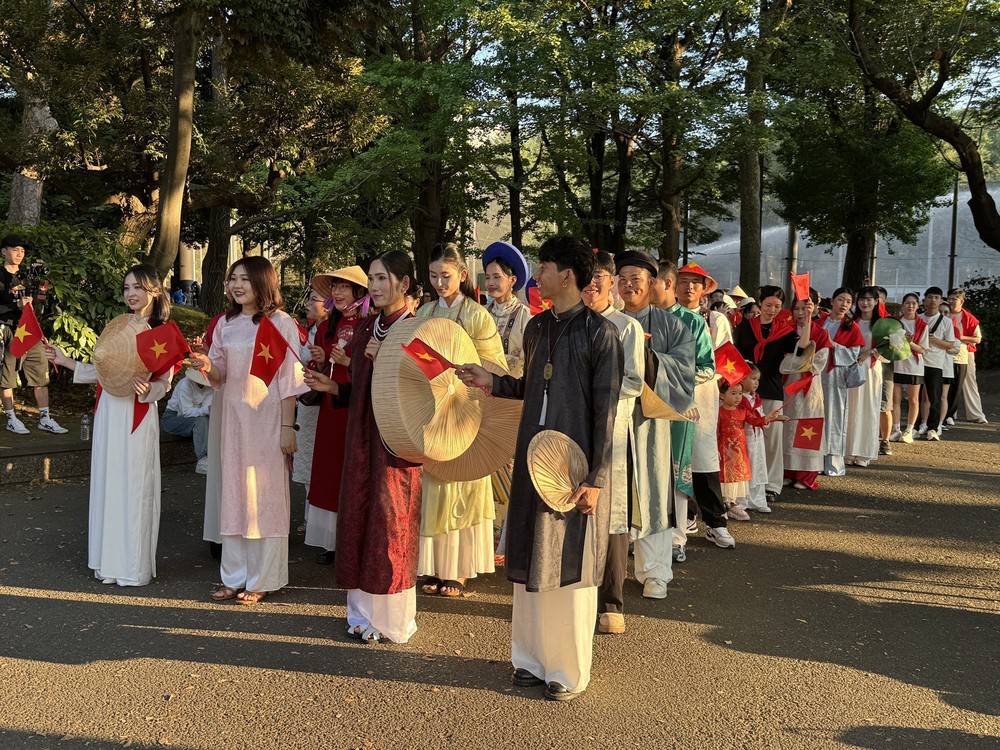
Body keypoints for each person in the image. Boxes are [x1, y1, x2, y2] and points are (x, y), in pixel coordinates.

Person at [457, 235, 623, 702]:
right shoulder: (536, 329)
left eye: (544, 267)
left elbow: (606, 414)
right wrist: (491, 380)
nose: (538, 275)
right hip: (532, 456)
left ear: (567, 275)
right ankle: (528, 660)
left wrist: (596, 480)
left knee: (567, 563)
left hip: (574, 469)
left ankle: (567, 670)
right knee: (531, 555)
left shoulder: (600, 333)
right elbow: (530, 387)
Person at [303, 251, 423, 644]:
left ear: (403, 284)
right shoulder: (368, 325)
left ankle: (392, 619)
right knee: (357, 515)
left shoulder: (418, 328)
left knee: (390, 524)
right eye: (371, 278)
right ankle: (359, 613)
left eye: (382, 279)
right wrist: (333, 386)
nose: (374, 286)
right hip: (360, 436)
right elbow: (357, 387)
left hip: (396, 442)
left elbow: (432, 386)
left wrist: (390, 358)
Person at [188, 256, 308, 605]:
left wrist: (288, 427)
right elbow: (219, 375)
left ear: (263, 282)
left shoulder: (280, 323)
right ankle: (234, 575)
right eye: (232, 279)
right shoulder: (226, 324)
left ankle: (264, 577)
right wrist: (206, 364)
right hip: (235, 421)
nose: (236, 285)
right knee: (236, 494)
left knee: (265, 495)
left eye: (244, 279)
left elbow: (289, 381)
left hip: (268, 419)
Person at [46, 264, 173, 586]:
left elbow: (165, 382)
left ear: (154, 291)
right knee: (108, 481)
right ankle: (107, 563)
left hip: (135, 414)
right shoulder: (117, 326)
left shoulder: (163, 332)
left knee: (133, 485)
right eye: (127, 287)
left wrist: (150, 392)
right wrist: (65, 360)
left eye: (138, 287)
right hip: (108, 410)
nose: (131, 293)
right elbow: (104, 372)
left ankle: (132, 566)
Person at [416, 243, 508, 598]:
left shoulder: (477, 315)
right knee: (435, 485)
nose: (440, 282)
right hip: (431, 409)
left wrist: (462, 373)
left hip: (467, 409)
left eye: (447, 276)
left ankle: (458, 569)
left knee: (463, 486)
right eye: (434, 275)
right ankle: (434, 565)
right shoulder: (422, 313)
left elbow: (494, 366)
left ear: (463, 275)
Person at [618, 250, 696, 597]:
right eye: (622, 279)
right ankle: (610, 569)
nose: (628, 285)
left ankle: (655, 572)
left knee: (653, 489)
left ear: (651, 284)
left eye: (636, 279)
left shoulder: (671, 325)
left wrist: (647, 356)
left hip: (650, 423)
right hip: (614, 420)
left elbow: (684, 373)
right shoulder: (608, 322)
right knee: (615, 493)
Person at [582, 251, 644, 633]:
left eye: (599, 278)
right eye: (586, 278)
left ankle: (612, 601)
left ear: (611, 282)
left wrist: (596, 394)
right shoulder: (569, 323)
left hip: (612, 431)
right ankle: (577, 595)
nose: (592, 285)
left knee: (612, 512)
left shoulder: (625, 327)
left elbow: (634, 381)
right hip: (573, 429)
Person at [304, 266, 368, 565]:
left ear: (359, 292)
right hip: (330, 406)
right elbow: (324, 366)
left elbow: (376, 367)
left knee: (352, 468)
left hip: (356, 404)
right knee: (330, 468)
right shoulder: (329, 324)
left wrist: (351, 361)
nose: (339, 292)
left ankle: (353, 538)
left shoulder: (370, 324)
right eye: (336, 287)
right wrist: (319, 360)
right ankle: (331, 540)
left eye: (345, 287)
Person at [649, 259, 711, 562]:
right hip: (641, 407)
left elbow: (707, 368)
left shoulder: (693, 322)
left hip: (677, 406)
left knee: (676, 470)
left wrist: (669, 381)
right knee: (644, 467)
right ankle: (643, 533)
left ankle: (676, 537)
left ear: (666, 283)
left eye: (650, 281)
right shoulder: (638, 318)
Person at [676, 262, 736, 549]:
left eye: (695, 283)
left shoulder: (714, 320)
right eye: (683, 281)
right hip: (671, 398)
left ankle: (715, 521)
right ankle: (683, 516)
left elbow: (725, 359)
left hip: (703, 395)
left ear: (704, 289)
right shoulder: (662, 316)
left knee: (703, 457)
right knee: (673, 458)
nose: (689, 287)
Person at [482, 242, 532, 561]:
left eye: (497, 277)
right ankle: (487, 534)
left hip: (513, 401)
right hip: (483, 402)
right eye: (487, 277)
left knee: (508, 464)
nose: (490, 283)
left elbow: (529, 360)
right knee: (483, 465)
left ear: (512, 280)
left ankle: (506, 535)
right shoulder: (481, 314)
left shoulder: (525, 317)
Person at [733, 286, 803, 502]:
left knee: (772, 441)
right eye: (768, 305)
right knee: (744, 439)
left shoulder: (785, 330)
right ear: (760, 303)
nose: (772, 310)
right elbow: (735, 355)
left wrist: (807, 318)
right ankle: (744, 484)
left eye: (777, 306)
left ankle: (772, 484)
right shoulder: (745, 327)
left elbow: (802, 349)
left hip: (771, 390)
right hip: (744, 392)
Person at [0, 234, 68, 435]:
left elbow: (40, 300)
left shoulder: (29, 275)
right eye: (15, 249)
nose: (19, 254)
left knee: (40, 370)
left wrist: (37, 297)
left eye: (22, 250)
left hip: (29, 329)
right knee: (6, 375)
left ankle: (45, 418)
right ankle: (11, 418)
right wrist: (15, 303)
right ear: (4, 251)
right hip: (6, 328)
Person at [292, 278, 331, 530]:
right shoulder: (312, 330)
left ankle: (318, 517)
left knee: (320, 459)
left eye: (313, 299)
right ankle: (310, 514)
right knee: (307, 458)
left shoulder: (329, 331)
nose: (307, 304)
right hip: (307, 401)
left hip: (322, 401)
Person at [717, 379, 786, 517]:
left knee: (736, 477)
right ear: (722, 395)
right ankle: (722, 504)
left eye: (740, 394)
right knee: (724, 476)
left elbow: (756, 421)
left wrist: (770, 417)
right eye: (733, 393)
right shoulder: (718, 412)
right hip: (724, 451)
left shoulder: (743, 411)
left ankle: (732, 503)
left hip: (740, 452)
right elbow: (716, 432)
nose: (737, 397)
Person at [782, 291, 828, 490]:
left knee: (808, 424)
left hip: (809, 385)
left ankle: (806, 474)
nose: (800, 313)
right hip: (787, 383)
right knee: (786, 424)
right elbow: (783, 360)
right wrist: (797, 361)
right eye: (797, 308)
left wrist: (800, 362)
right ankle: (785, 470)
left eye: (804, 309)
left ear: (814, 308)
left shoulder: (821, 333)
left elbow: (819, 362)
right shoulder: (785, 330)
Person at [820, 288, 865, 476]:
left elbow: (853, 355)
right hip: (816, 372)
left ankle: (833, 462)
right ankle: (812, 461)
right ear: (832, 301)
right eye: (841, 299)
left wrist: (833, 344)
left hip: (836, 375)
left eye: (848, 301)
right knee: (815, 414)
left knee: (834, 416)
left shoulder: (851, 326)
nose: (844, 304)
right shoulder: (819, 320)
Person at [845, 287, 884, 467]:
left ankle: (864, 451)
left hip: (870, 369)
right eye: (861, 299)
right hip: (852, 368)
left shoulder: (882, 324)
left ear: (876, 301)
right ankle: (848, 450)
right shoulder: (851, 322)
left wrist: (870, 352)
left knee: (868, 408)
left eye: (869, 299)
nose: (865, 303)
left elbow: (890, 348)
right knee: (850, 408)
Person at [917, 286, 958, 442]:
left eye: (936, 297)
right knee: (918, 397)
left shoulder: (946, 321)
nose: (933, 300)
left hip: (935, 362)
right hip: (917, 361)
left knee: (934, 397)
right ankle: (919, 424)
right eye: (930, 297)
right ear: (925, 299)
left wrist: (936, 341)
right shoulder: (918, 318)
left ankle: (934, 427)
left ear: (941, 300)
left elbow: (950, 344)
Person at [890, 293, 928, 444]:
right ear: (902, 305)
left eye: (913, 303)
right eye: (907, 303)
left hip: (914, 365)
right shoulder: (895, 323)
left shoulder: (922, 325)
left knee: (913, 399)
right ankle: (896, 428)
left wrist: (910, 343)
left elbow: (923, 349)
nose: (910, 306)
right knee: (895, 398)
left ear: (918, 306)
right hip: (897, 364)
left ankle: (909, 430)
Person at [160, 368, 213, 473]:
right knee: (202, 420)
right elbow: (186, 412)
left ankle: (214, 457)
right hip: (173, 419)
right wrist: (207, 410)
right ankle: (202, 460)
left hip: (197, 420)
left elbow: (206, 410)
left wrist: (208, 410)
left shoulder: (210, 387)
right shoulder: (185, 384)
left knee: (207, 420)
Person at [948, 289, 987, 424]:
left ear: (961, 301)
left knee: (969, 381)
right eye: (950, 299)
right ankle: (949, 414)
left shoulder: (969, 318)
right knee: (947, 383)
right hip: (945, 351)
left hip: (966, 352)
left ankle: (975, 414)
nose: (951, 302)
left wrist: (960, 337)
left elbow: (977, 339)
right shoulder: (944, 314)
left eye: (954, 299)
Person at [740, 365, 772, 513]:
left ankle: (758, 499)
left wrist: (771, 418)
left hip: (757, 438)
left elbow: (759, 415)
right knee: (747, 467)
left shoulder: (756, 398)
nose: (756, 383)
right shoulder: (739, 399)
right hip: (745, 438)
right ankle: (742, 500)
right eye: (753, 379)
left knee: (758, 466)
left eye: (757, 380)